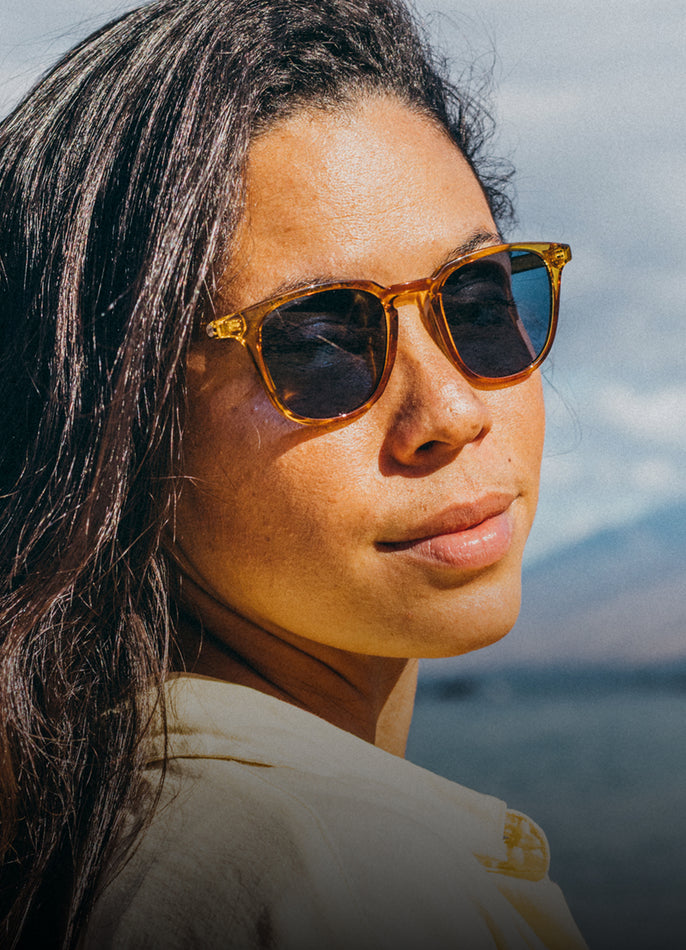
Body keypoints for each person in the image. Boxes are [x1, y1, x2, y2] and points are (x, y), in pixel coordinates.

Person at [0, 0, 584, 947]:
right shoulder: (336, 880)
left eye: (478, 302)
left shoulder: (93, 827)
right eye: (319, 344)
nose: (453, 412)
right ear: (117, 423)